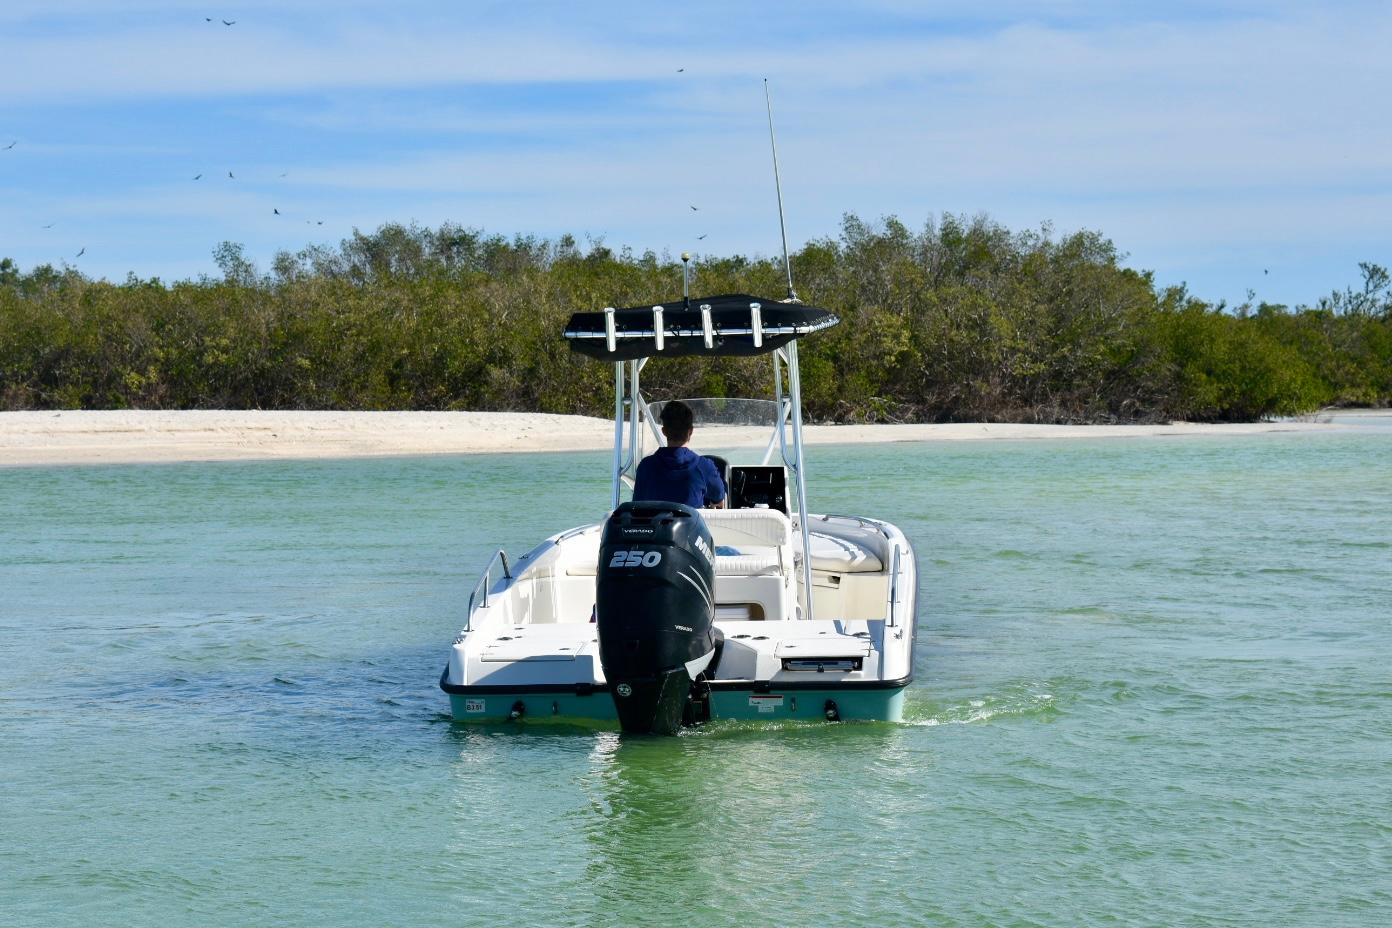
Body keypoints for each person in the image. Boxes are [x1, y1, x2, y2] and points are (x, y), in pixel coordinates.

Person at [632, 400, 726, 509]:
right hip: (690, 526)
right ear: (690, 431)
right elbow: (719, 497)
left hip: (655, 525)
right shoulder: (704, 466)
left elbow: (637, 504)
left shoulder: (645, 466)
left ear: (664, 432)